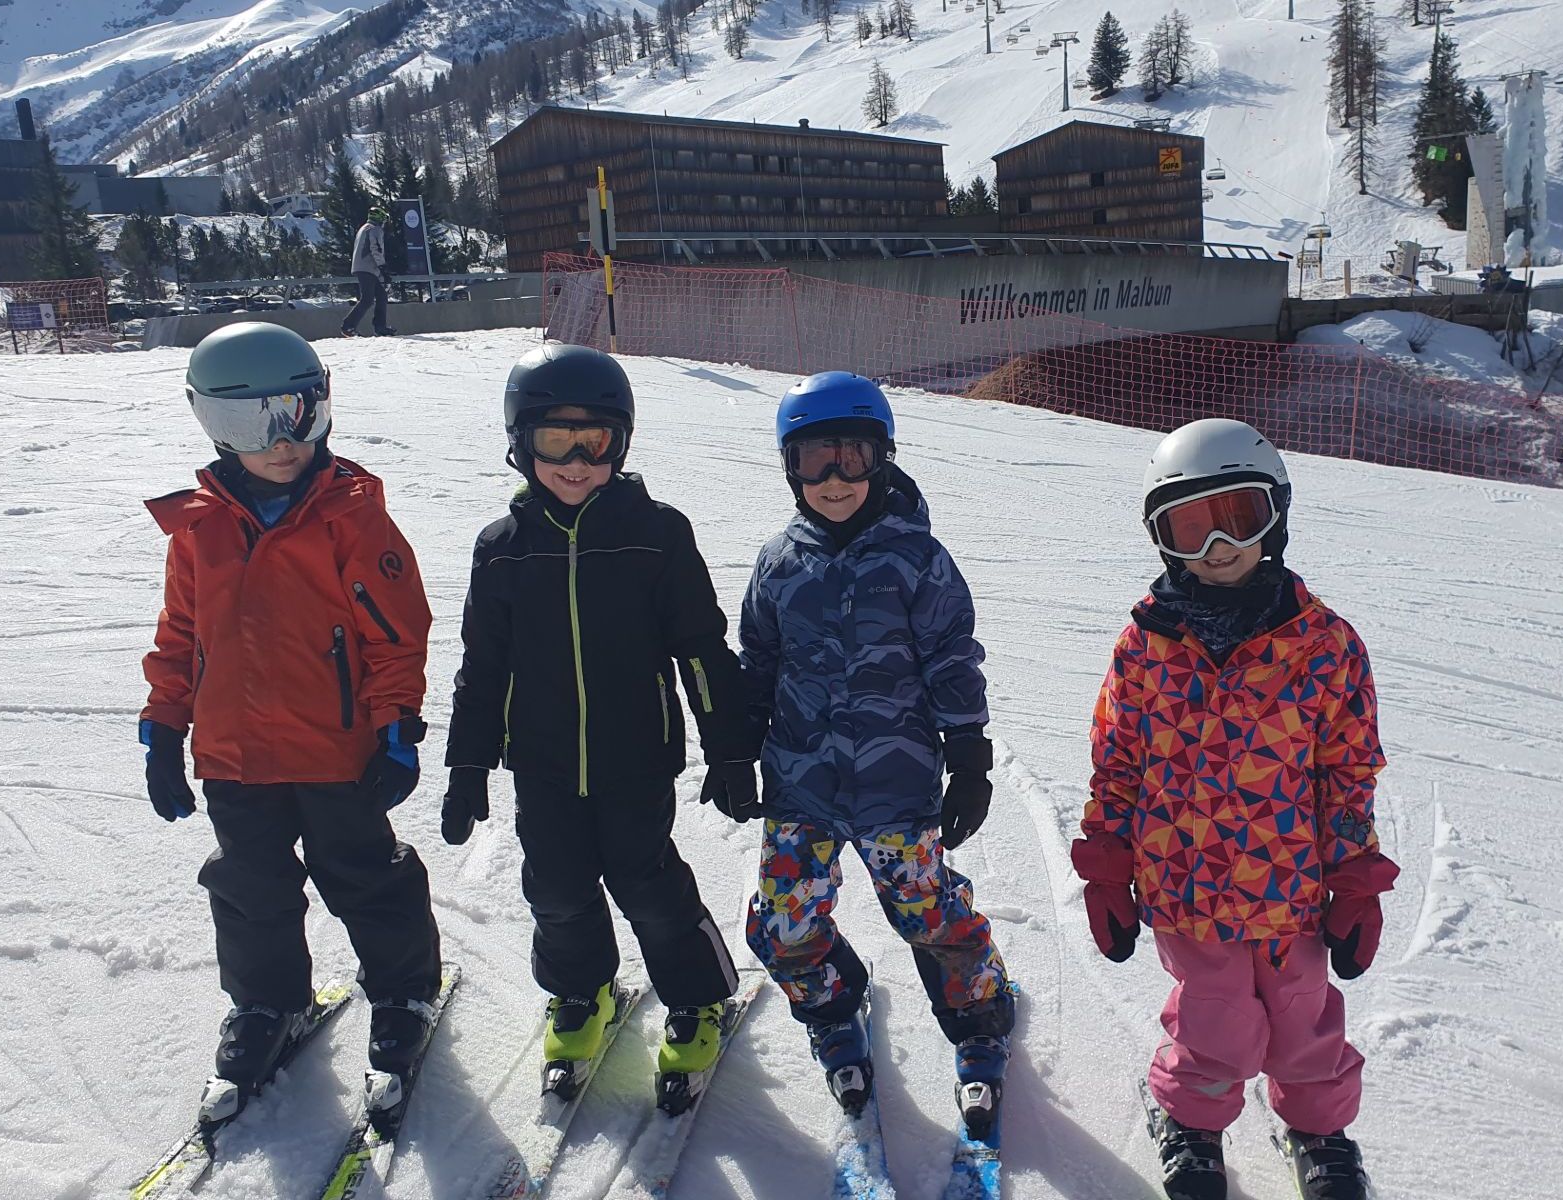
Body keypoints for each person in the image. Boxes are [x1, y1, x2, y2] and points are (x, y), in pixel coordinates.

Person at [1072, 419, 1399, 1200]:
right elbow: (1117, 762)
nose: (1218, 546)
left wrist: (1354, 877)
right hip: (1186, 889)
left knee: (1304, 1018)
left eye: (1238, 519)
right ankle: (1190, 1120)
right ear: (1163, 541)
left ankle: (1319, 1129)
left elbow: (1348, 770)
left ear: (1274, 517)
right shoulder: (1145, 647)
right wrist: (1108, 864)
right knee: (1213, 1018)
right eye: (1191, 529)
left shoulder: (1325, 646)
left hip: (1291, 892)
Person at [439, 343, 754, 1113]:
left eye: (596, 441)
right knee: (556, 886)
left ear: (622, 442)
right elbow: (483, 667)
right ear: (522, 443)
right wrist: (467, 766)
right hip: (542, 762)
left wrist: (731, 748)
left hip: (635, 758)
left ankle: (699, 997)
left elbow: (701, 650)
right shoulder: (503, 550)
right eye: (557, 441)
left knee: (647, 884)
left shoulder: (657, 535)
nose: (576, 463)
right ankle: (582, 993)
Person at [138, 321, 443, 1099]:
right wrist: (165, 726)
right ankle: (266, 1001)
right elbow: (180, 634)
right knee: (250, 887)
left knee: (364, 875)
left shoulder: (350, 517)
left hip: (334, 749)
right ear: (214, 424)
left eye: (298, 414)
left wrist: (396, 728)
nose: (282, 442)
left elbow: (395, 635)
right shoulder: (198, 528)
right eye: (253, 424)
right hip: (234, 755)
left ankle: (403, 991)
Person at [739, 372, 1011, 1135]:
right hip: (800, 784)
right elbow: (757, 662)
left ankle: (979, 1017)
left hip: (898, 785)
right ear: (789, 468)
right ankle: (832, 1007)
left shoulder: (918, 559)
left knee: (928, 914)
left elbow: (952, 658)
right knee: (785, 924)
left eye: (851, 458)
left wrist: (970, 755)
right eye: (813, 461)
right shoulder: (779, 561)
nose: (833, 479)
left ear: (881, 458)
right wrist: (734, 751)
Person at [342, 206, 395, 337]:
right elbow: (376, 248)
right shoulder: (375, 229)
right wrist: (383, 267)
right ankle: (348, 326)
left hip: (363, 267)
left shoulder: (364, 228)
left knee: (381, 296)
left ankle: (380, 326)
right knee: (367, 299)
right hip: (367, 268)